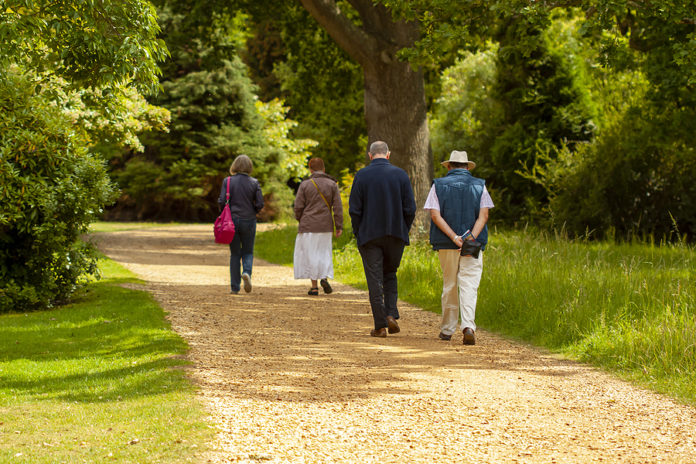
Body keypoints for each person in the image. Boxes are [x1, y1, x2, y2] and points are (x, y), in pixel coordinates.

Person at [424, 150, 493, 345]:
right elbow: (484, 215)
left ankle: (447, 329)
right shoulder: (480, 185)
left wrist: (454, 237)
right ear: (467, 167)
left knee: (450, 284)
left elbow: (435, 216)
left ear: (448, 166)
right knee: (469, 283)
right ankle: (468, 326)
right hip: (473, 243)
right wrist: (470, 237)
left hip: (447, 243)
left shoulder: (438, 185)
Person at [349, 141, 417, 338]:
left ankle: (380, 325)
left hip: (370, 235)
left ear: (370, 155)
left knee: (374, 279)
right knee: (390, 274)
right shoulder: (401, 175)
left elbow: (355, 210)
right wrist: (403, 228)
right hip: (396, 234)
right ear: (388, 154)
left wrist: (358, 232)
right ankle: (390, 314)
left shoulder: (361, 176)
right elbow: (410, 209)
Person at [293, 157, 343, 295]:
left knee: (310, 254)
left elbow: (298, 206)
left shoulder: (305, 185)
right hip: (325, 226)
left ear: (310, 169)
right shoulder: (332, 184)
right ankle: (324, 278)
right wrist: (338, 225)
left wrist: (300, 219)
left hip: (308, 224)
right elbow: (337, 207)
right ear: (324, 169)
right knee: (323, 252)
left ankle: (314, 287)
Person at [218, 155, 264, 294]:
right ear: (250, 167)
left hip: (231, 221)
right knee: (248, 251)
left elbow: (221, 201)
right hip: (249, 219)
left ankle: (235, 287)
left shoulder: (228, 180)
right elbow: (260, 203)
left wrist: (224, 213)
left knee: (235, 254)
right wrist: (253, 211)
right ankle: (247, 273)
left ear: (235, 166)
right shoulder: (254, 182)